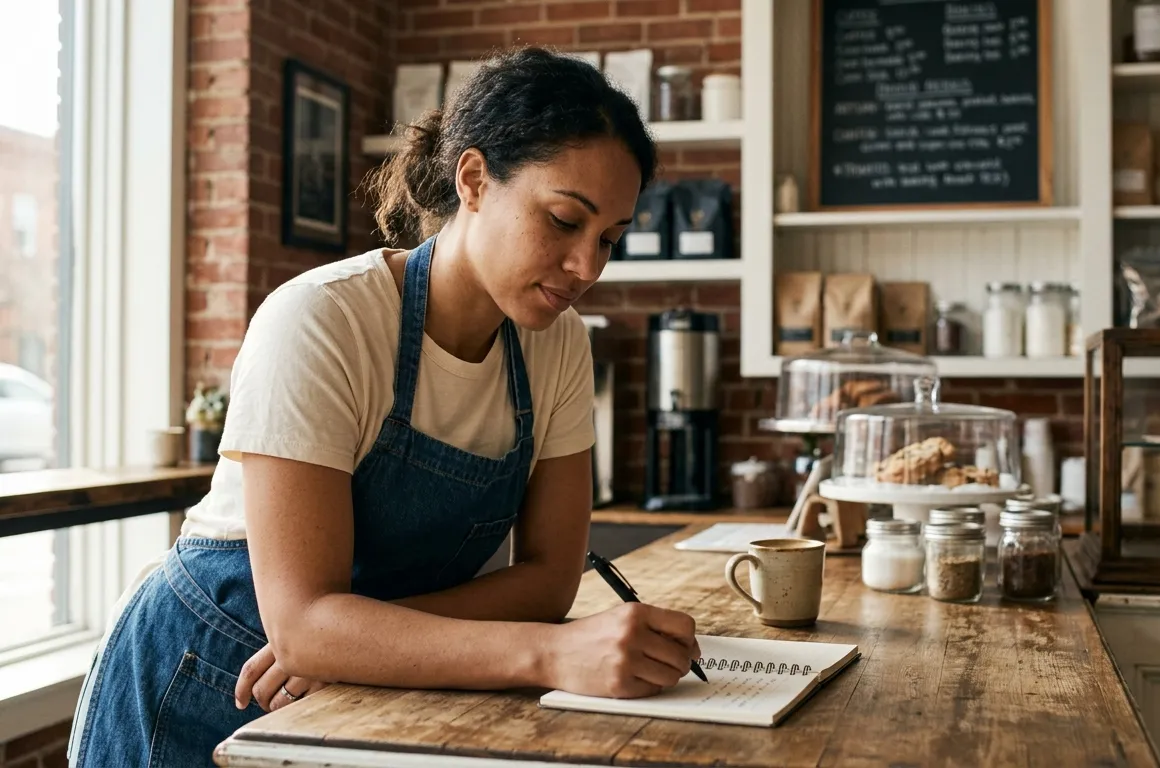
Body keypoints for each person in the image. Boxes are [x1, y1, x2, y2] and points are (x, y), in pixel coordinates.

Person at [68, 46, 701, 768]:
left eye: (609, 239)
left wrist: (352, 642)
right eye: (563, 220)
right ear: (473, 179)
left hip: (367, 698)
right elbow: (303, 625)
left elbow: (550, 582)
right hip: (202, 691)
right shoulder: (321, 321)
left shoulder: (556, 351)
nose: (587, 266)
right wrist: (547, 653)